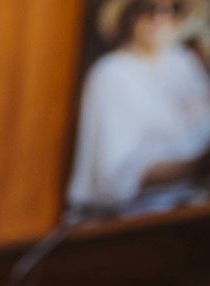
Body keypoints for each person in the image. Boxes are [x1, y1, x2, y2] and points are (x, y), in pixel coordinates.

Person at [68, 0, 210, 211]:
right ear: (130, 15)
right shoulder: (111, 73)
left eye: (174, 10)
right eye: (149, 9)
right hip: (138, 218)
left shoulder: (185, 65)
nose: (161, 18)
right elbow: (113, 178)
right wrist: (195, 167)